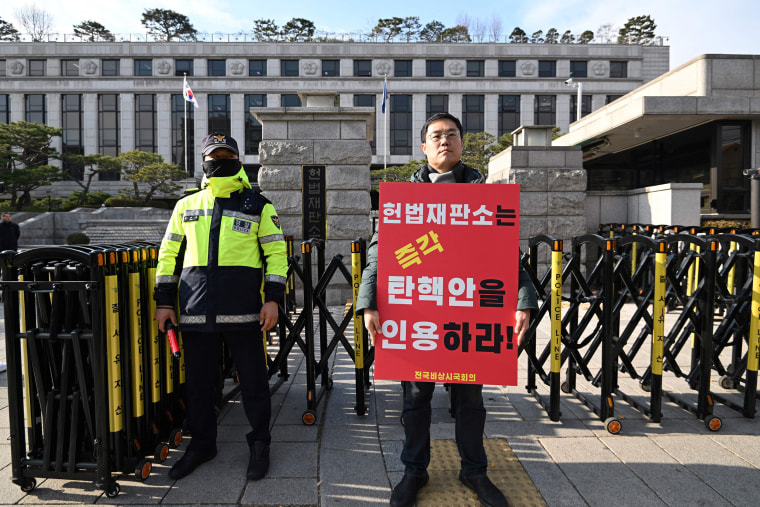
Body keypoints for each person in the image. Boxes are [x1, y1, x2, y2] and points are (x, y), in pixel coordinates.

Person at [356, 113, 538, 507]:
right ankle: (414, 471)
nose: (444, 141)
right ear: (424, 147)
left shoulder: (485, 195)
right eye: (436, 136)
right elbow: (379, 254)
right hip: (417, 318)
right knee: (416, 399)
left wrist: (523, 299)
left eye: (451, 135)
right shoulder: (403, 200)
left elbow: (506, 256)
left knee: (471, 402)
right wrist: (368, 300)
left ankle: (474, 471)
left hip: (469, 317)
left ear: (461, 143)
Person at [154, 133, 287, 481]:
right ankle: (201, 444)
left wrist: (273, 298)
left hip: (245, 313)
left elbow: (276, 255)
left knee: (255, 383)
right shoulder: (185, 206)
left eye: (227, 155)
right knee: (198, 385)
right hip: (195, 311)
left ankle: (260, 443)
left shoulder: (258, 205)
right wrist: (164, 303)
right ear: (203, 163)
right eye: (215, 156)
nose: (220, 161)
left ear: (238, 161)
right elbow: (168, 256)